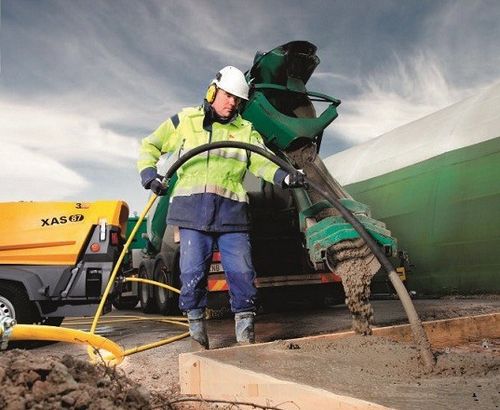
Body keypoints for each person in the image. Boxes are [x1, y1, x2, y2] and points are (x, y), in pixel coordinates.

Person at [137, 65, 304, 349]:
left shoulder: (245, 130)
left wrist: (284, 175)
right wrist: (149, 175)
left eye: (238, 100)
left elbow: (261, 161)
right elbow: (150, 145)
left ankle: (245, 336)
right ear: (213, 90)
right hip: (191, 213)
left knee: (242, 273)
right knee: (191, 274)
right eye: (228, 96)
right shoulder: (185, 121)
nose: (232, 103)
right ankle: (197, 337)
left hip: (231, 214)